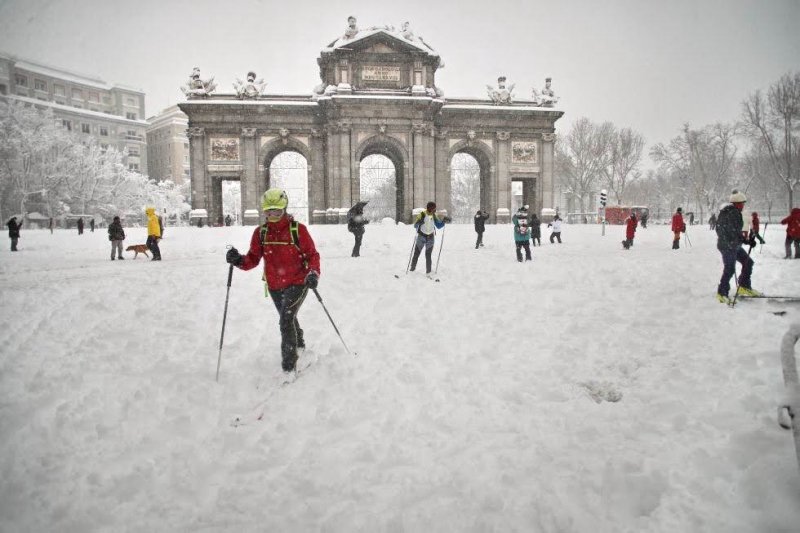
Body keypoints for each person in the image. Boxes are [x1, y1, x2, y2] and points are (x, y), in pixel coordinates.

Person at [225, 188, 321, 374]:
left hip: (299, 281)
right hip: (275, 285)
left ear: (284, 208)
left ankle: (289, 365)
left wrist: (313, 273)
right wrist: (237, 260)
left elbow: (312, 255)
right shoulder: (261, 233)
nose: (273, 214)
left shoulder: (297, 230)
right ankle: (299, 343)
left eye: (277, 210)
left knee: (285, 319)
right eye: (268, 211)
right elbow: (252, 259)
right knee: (288, 317)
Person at [715, 191, 759, 303]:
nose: (743, 205)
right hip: (727, 246)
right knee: (730, 268)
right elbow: (726, 230)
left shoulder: (734, 212)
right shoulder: (730, 213)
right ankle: (722, 293)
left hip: (734, 245)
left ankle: (744, 286)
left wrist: (747, 241)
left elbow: (736, 232)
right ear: (736, 203)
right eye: (742, 203)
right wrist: (732, 242)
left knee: (748, 262)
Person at [410, 201, 446, 274]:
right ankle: (412, 269)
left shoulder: (434, 215)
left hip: (430, 238)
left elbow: (438, 226)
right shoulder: (422, 214)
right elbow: (415, 226)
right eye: (434, 209)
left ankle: (428, 272)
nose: (435, 210)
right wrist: (419, 222)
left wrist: (444, 222)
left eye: (435, 209)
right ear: (429, 208)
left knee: (428, 255)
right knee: (416, 254)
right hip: (421, 237)